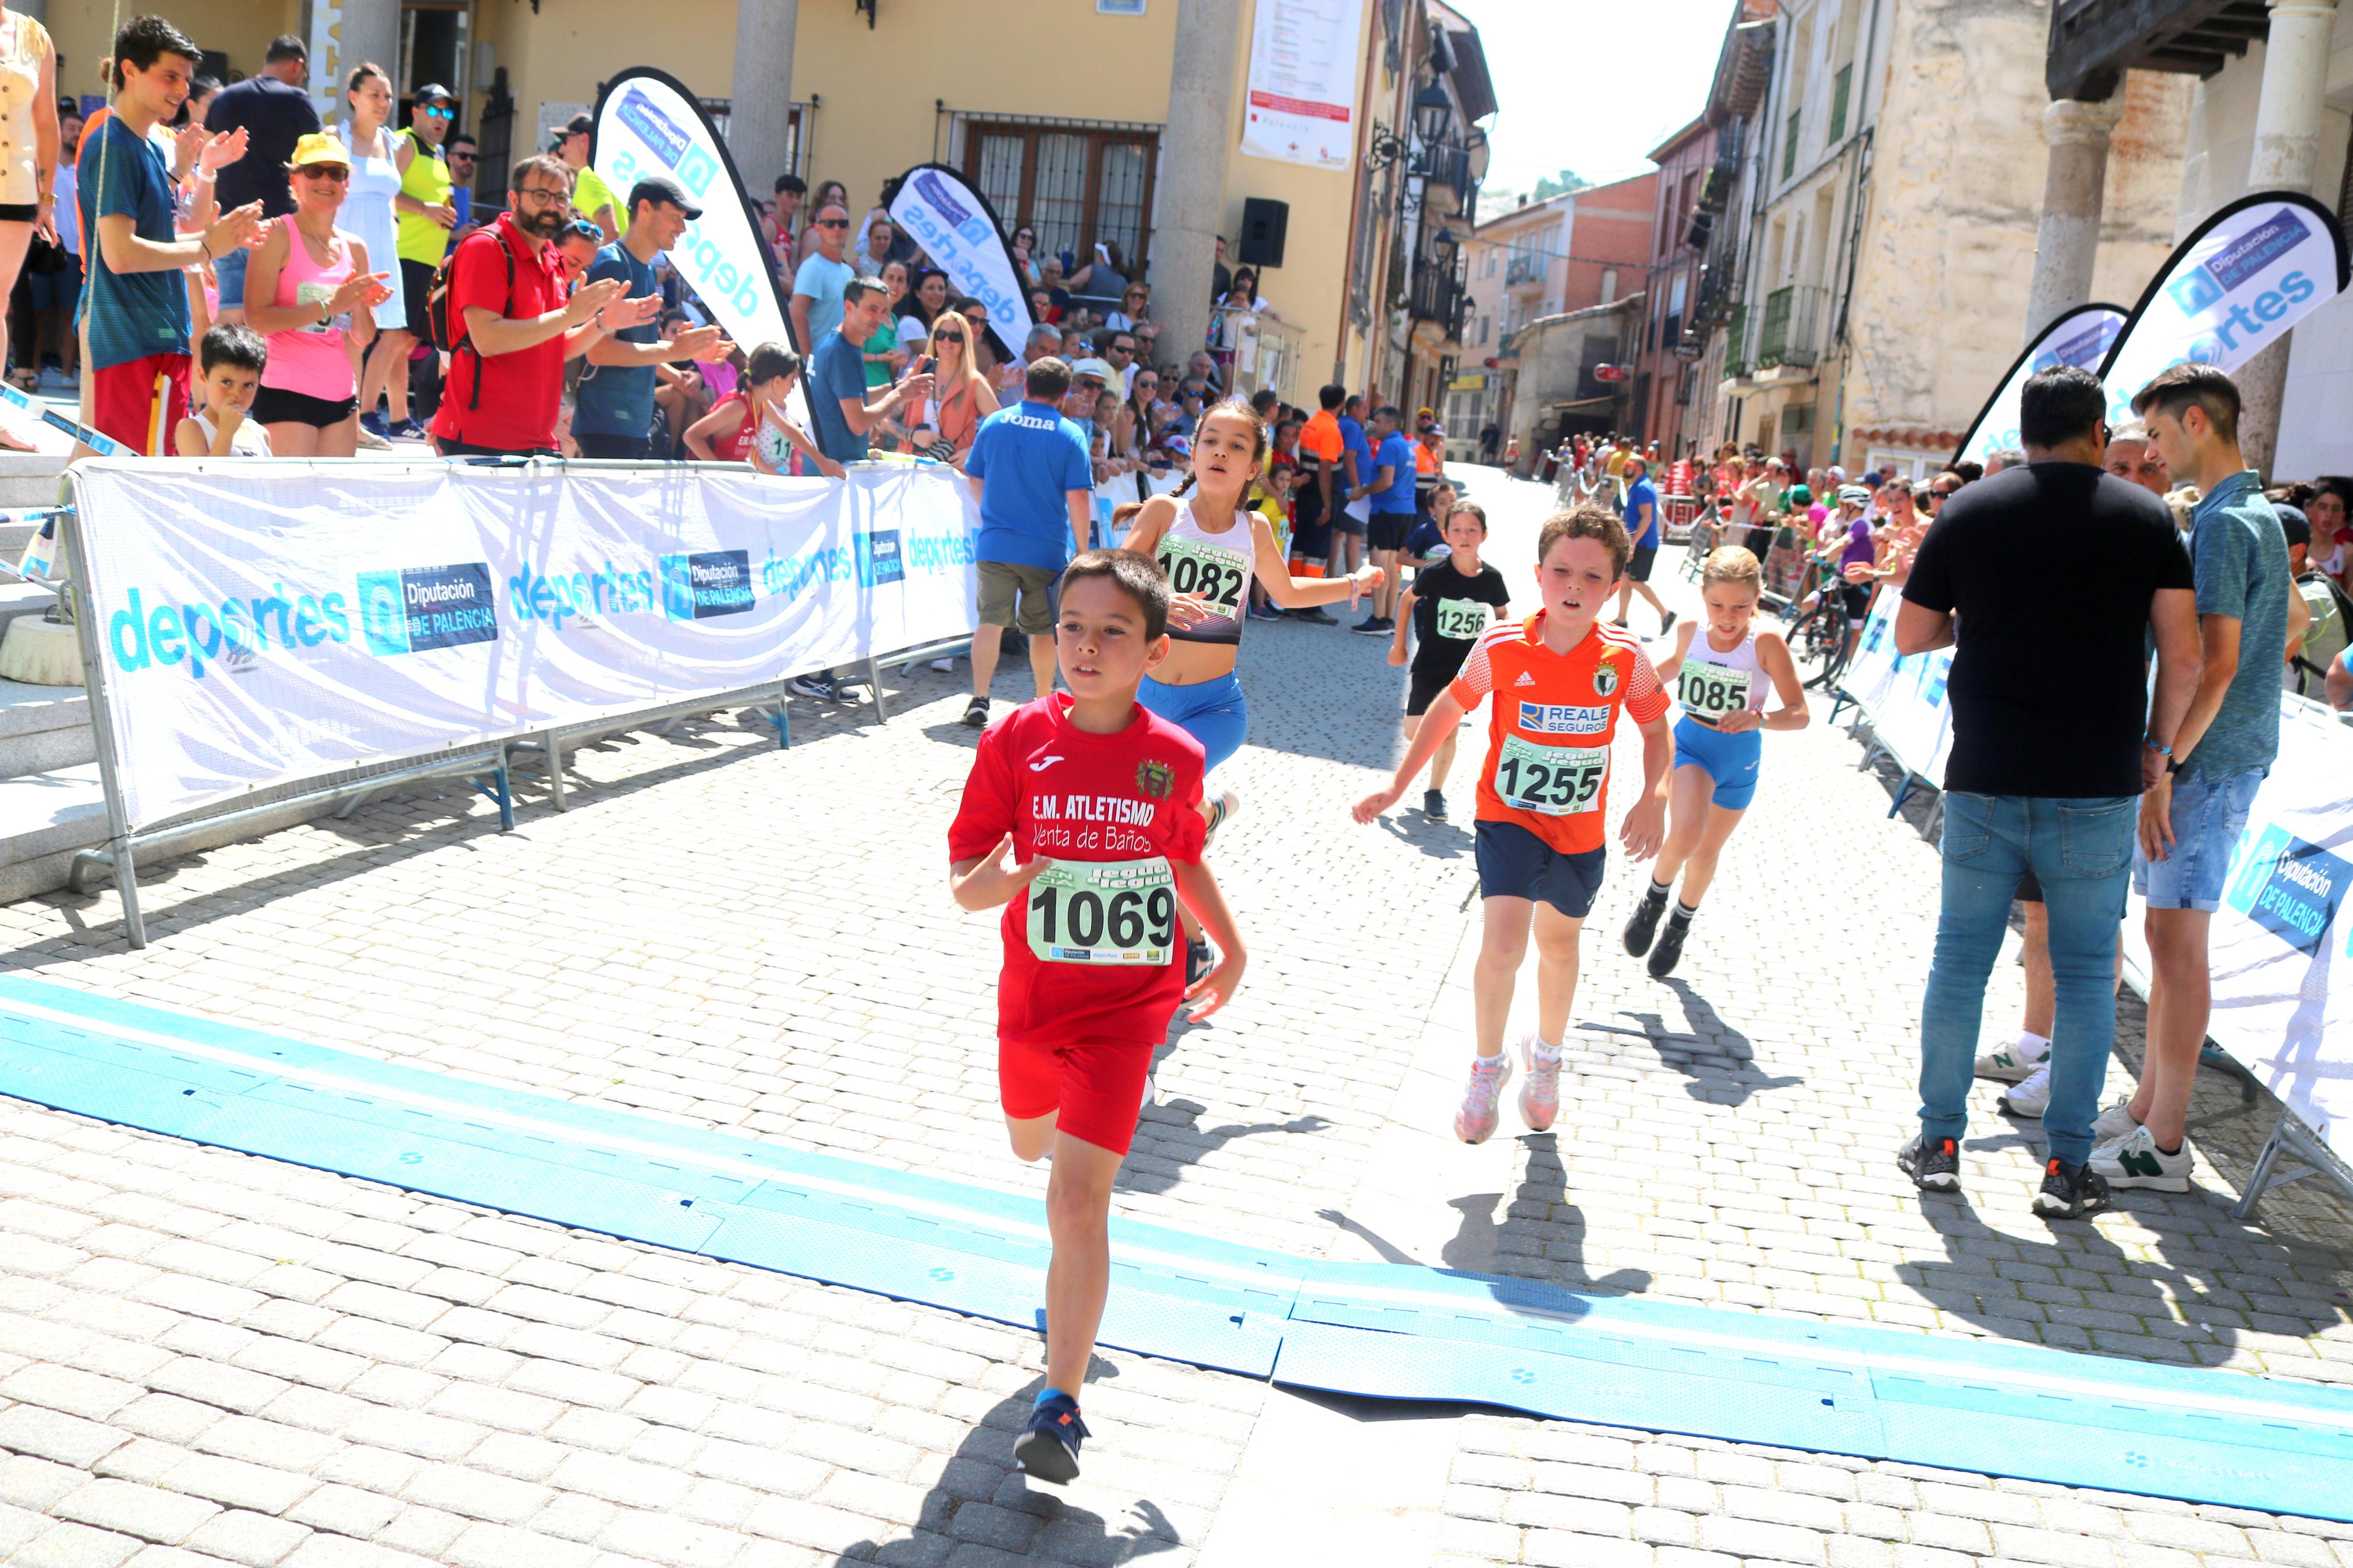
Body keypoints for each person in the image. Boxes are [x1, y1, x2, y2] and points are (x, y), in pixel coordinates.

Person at [947, 547, 1244, 1485]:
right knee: (1031, 1152)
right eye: (1071, 625)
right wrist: (1004, 878)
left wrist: (1230, 945)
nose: (1085, 643)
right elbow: (965, 879)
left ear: (1154, 651)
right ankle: (1063, 1321)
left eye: (1112, 629)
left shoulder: (1174, 756)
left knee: (1080, 1199)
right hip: (1033, 1005)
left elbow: (1184, 854)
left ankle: (1059, 1403)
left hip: (1128, 1007)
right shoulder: (1014, 741)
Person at [1893, 365, 2200, 1219]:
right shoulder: (2143, 518)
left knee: (1958, 963)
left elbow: (1913, 630)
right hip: (2095, 783)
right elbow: (2181, 656)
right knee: (2083, 973)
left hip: (1985, 772)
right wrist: (2156, 750)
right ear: (2097, 433)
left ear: (2023, 433)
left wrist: (1982, 621)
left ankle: (1939, 1142)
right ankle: (2066, 1167)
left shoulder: (1968, 509)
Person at [1354, 504, 1673, 1143]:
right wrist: (1398, 782)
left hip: (1578, 832)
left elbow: (1655, 730)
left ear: (1614, 588)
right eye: (1561, 572)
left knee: (1557, 945)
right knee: (1502, 942)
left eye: (1591, 577)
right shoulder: (1501, 645)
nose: (1574, 588)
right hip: (1507, 817)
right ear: (1537, 575)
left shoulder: (1623, 657)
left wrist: (1654, 796)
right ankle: (1485, 1066)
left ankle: (1546, 1057)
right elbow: (1447, 707)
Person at [2092, 363, 2294, 1196]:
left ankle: (2165, 1140)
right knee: (2168, 947)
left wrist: (2162, 763)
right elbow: (2264, 639)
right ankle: (2149, 1107)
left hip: (2203, 766)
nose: (2151, 450)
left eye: (2159, 434)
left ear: (2196, 423)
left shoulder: (2222, 523)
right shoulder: (2247, 511)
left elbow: (2210, 667)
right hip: (2218, 758)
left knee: (2175, 953)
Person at [1118, 398, 1384, 977]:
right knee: (1153, 825)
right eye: (1210, 439)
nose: (1220, 451)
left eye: (1236, 445)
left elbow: (1286, 594)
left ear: (1254, 468)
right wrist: (1160, 600)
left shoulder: (1253, 528)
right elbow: (1111, 575)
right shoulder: (1165, 513)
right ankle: (1204, 821)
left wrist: (1353, 583)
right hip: (1144, 704)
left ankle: (1190, 943)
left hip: (1213, 706)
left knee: (1154, 819)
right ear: (1193, 449)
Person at [77, 15, 263, 459]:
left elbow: (169, 230)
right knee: (119, 470)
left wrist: (197, 180)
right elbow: (120, 254)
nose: (182, 88)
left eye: (186, 78)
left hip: (150, 339)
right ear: (129, 70)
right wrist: (206, 247)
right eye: (170, 75)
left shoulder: (140, 146)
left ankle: (51, 533)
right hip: (133, 338)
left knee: (98, 464)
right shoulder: (115, 145)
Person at [1623, 546, 1808, 977]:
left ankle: (1679, 925)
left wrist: (1758, 718)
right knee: (1685, 832)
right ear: (1702, 596)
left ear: (1757, 599)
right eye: (1717, 605)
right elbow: (1668, 667)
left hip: (1739, 763)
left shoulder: (1765, 642)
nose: (1727, 617)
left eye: (1740, 607)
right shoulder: (1691, 631)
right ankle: (1653, 898)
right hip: (1690, 747)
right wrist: (1623, 682)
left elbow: (1800, 713)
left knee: (1706, 851)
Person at [431, 154, 648, 458]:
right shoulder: (486, 248)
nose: (552, 206)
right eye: (541, 195)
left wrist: (602, 323)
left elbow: (555, 347)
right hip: (481, 439)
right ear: (514, 198)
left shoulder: (551, 258)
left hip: (538, 442)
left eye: (561, 198)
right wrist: (569, 315)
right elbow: (487, 340)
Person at [242, 131, 394, 457]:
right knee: (291, 501)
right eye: (314, 171)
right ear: (295, 181)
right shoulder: (277, 235)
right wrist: (331, 304)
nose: (326, 180)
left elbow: (364, 338)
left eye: (336, 172)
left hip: (341, 397)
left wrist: (362, 305)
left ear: (346, 185)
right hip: (286, 392)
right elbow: (256, 319)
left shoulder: (355, 247)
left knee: (332, 504)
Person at [962, 357, 1092, 728]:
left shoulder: (995, 422)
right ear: (1064, 394)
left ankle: (979, 698)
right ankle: (1041, 702)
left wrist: (993, 514)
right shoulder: (1070, 434)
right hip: (1045, 548)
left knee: (989, 621)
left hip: (996, 543)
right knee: (1042, 628)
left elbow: (974, 478)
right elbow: (1078, 497)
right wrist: (1083, 551)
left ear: (1027, 386)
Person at [572, 175, 729, 460]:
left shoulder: (644, 270)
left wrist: (679, 373)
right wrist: (673, 350)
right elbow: (597, 351)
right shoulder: (614, 264)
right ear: (645, 209)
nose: (682, 228)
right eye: (676, 217)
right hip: (607, 428)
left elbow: (637, 347)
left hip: (632, 426)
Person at [1387, 502, 1511, 818]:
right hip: (1429, 663)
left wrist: (1503, 654)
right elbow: (1406, 600)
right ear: (1446, 534)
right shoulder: (1435, 572)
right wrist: (1399, 645)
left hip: (1465, 671)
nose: (1464, 535)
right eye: (1457, 530)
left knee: (1448, 732)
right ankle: (1424, 770)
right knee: (1414, 732)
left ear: (1484, 535)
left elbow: (1503, 617)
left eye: (1472, 530)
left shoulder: (1492, 579)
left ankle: (1435, 792)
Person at [203, 34, 316, 331]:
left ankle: (209, 378)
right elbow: (317, 159)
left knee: (230, 318)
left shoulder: (224, 97)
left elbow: (206, 160)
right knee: (273, 324)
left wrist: (207, 229)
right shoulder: (297, 100)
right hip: (279, 230)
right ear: (297, 66)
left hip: (230, 225)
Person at [336, 65, 414, 444]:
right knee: (352, 334)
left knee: (396, 333)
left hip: (384, 245)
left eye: (387, 96)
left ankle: (383, 416)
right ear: (354, 98)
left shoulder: (393, 141)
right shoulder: (335, 138)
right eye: (374, 95)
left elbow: (393, 198)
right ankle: (353, 420)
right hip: (346, 245)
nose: (383, 103)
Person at [803, 273, 932, 471]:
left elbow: (853, 397)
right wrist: (899, 394)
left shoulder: (834, 344)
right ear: (849, 307)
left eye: (883, 311)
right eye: (872, 310)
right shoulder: (842, 352)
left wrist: (898, 385)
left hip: (830, 467)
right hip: (835, 470)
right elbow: (859, 423)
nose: (879, 318)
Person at [0, 2, 55, 441]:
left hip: (16, 188)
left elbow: (46, 122)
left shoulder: (36, 37)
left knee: (0, 303)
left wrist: (48, 195)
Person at [389, 84, 457, 416]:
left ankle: (399, 415)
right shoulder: (405, 143)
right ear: (415, 111)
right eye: (433, 110)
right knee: (394, 339)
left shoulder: (438, 154)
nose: (440, 118)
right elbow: (386, 193)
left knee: (404, 343)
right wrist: (425, 209)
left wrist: (449, 219)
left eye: (447, 112)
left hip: (428, 259)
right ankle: (372, 410)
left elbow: (435, 206)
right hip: (405, 254)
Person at [682, 341, 829, 472]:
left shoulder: (761, 404)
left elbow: (790, 431)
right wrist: (720, 472)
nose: (792, 388)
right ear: (777, 381)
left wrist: (822, 461)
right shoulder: (738, 407)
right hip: (706, 483)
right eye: (793, 381)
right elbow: (691, 436)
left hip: (727, 482)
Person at [903, 307, 997, 466]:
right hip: (912, 471)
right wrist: (911, 435)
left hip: (953, 475)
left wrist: (975, 451)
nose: (947, 341)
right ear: (934, 338)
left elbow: (1003, 427)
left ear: (965, 341)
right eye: (941, 335)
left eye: (955, 337)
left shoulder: (974, 382)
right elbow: (885, 420)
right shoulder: (918, 373)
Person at [1358, 404, 1421, 636]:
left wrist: (1361, 492)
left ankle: (1377, 619)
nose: (1375, 425)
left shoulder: (1390, 446)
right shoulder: (1407, 446)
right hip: (1405, 510)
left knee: (1378, 565)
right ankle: (1387, 618)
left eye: (1379, 421)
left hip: (1386, 510)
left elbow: (1385, 481)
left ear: (1391, 425)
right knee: (1393, 567)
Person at [172, 322, 272, 456]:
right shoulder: (191, 429)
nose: (237, 394)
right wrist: (226, 432)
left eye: (248, 385)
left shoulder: (261, 434)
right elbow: (210, 476)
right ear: (203, 377)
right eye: (227, 382)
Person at [1290, 383, 1346, 616]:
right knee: (1317, 550)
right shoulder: (1331, 430)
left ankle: (1292, 598)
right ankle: (1310, 605)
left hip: (1305, 493)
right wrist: (1328, 504)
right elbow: (1325, 468)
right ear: (1341, 404)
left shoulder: (1310, 425)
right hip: (1321, 495)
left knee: (1300, 547)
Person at [1614, 453, 1675, 633]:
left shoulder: (1643, 488)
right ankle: (1622, 620)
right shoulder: (1637, 486)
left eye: (1628, 465)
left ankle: (1666, 614)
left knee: (1636, 582)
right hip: (1637, 541)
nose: (1625, 468)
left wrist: (1633, 544)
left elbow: (1647, 518)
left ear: (1639, 468)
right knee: (1626, 580)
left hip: (1644, 544)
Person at [789, 199, 855, 360]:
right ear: (818, 229)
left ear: (848, 228)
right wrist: (810, 360)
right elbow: (797, 313)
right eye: (830, 223)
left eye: (842, 223)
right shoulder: (813, 268)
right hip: (818, 364)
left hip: (839, 361)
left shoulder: (849, 272)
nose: (837, 228)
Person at [557, 113, 622, 244]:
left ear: (583, 140)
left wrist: (584, 264)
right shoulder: (612, 175)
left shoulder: (589, 176)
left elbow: (610, 234)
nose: (561, 149)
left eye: (565, 141)